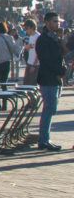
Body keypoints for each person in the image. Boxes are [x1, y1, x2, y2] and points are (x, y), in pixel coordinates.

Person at [34, 12, 64, 151]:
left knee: (51, 109)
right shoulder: (43, 39)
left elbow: (59, 56)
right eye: (54, 21)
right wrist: (59, 71)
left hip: (55, 78)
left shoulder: (54, 37)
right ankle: (44, 140)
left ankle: (45, 139)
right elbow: (46, 60)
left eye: (58, 21)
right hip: (48, 78)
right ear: (47, 22)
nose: (57, 24)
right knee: (49, 109)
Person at [0, 22, 18, 92]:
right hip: (7, 62)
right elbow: (14, 48)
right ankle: (5, 97)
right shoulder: (10, 37)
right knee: (4, 82)